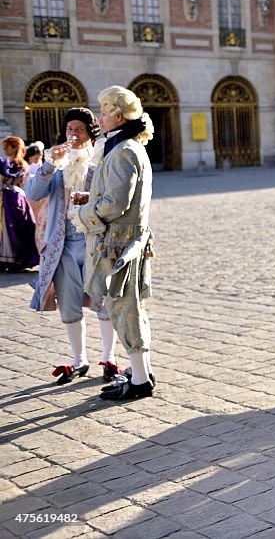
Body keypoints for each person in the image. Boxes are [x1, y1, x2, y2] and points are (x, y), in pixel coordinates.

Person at [73, 87, 156, 401]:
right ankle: (140, 373)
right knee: (129, 308)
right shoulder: (125, 146)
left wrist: (82, 212)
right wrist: (91, 197)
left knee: (124, 310)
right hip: (125, 240)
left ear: (118, 115)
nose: (100, 117)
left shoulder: (123, 151)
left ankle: (141, 381)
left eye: (104, 111)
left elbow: (115, 204)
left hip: (119, 245)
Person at [27, 109, 121, 384]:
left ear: (90, 132)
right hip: (62, 244)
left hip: (95, 241)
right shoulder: (56, 164)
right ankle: (79, 359)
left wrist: (89, 197)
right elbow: (33, 194)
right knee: (68, 303)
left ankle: (109, 356)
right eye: (70, 129)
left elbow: (112, 196)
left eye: (79, 129)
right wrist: (49, 165)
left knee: (103, 300)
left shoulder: (102, 159)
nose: (73, 135)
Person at [1, 136, 39, 272]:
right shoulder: (10, 163)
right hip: (10, 198)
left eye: (7, 147)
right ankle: (6, 259)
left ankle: (16, 259)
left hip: (11, 199)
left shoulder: (15, 165)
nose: (4, 149)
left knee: (13, 227)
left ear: (14, 147)